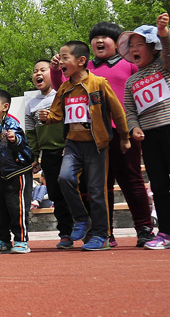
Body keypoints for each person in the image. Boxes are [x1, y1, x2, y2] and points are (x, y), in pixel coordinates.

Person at [51, 22, 155, 247]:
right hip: (91, 136)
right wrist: (55, 70)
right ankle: (104, 233)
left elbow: (141, 90)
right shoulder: (83, 66)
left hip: (122, 130)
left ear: (117, 44)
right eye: (95, 37)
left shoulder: (129, 64)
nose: (99, 40)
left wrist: (135, 127)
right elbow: (62, 89)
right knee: (96, 186)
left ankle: (144, 228)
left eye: (106, 37)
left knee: (131, 179)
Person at [40, 40, 130, 251]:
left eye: (65, 57)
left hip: (96, 144)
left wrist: (125, 136)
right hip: (73, 144)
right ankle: (81, 218)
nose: (61, 61)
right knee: (64, 178)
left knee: (97, 190)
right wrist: (47, 117)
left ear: (81, 61)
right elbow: (57, 115)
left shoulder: (99, 83)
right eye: (60, 57)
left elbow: (117, 111)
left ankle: (101, 235)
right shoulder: (64, 88)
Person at [119, 14, 170, 250]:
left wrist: (163, 32)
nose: (134, 49)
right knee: (158, 185)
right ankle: (166, 233)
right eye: (131, 46)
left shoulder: (165, 66)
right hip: (150, 137)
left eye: (139, 44)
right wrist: (134, 127)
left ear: (153, 47)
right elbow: (130, 111)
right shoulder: (131, 81)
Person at [25, 59, 72, 249]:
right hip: (48, 155)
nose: (38, 73)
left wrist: (70, 144)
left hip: (69, 151)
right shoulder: (31, 104)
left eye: (43, 70)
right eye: (35, 71)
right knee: (55, 193)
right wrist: (34, 156)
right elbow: (31, 133)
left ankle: (89, 229)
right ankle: (65, 233)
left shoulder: (63, 95)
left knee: (73, 189)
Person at [0, 89, 34, 254]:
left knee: (17, 207)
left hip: (16, 172)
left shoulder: (11, 124)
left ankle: (21, 240)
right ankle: (2, 240)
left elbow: (21, 141)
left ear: (5, 107)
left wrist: (14, 139)